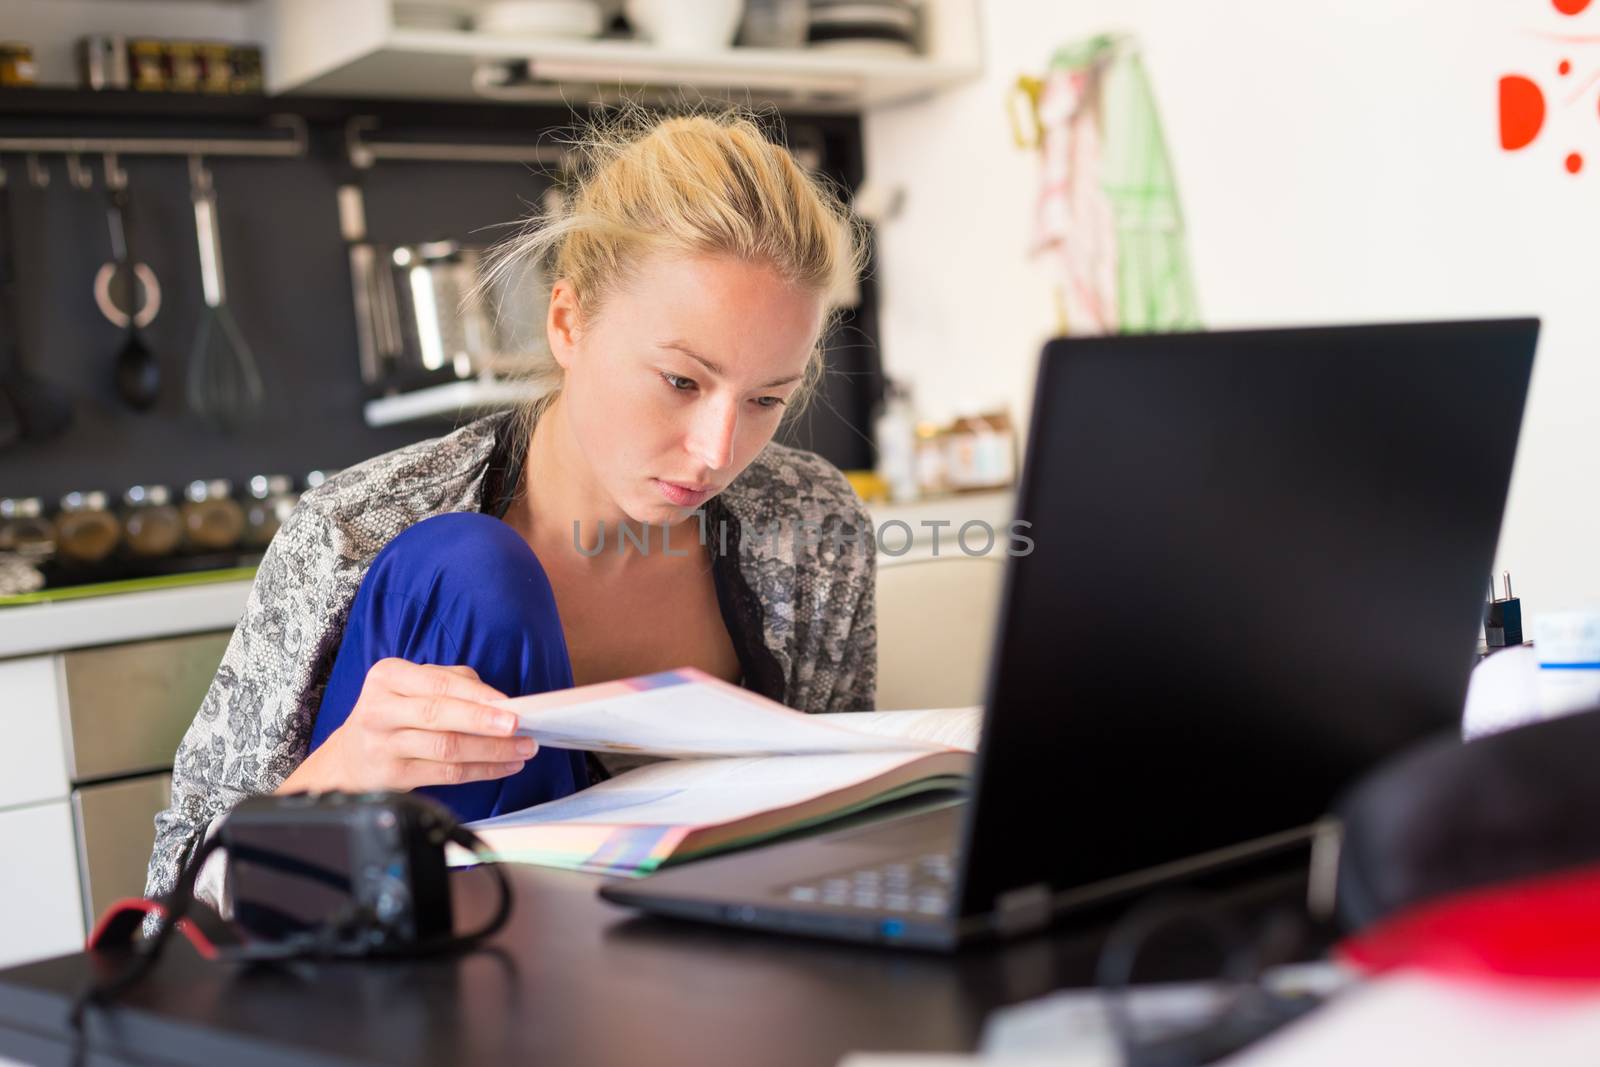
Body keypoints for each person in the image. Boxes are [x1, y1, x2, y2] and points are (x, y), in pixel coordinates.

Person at [144, 107, 879, 909]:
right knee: (469, 571)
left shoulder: (812, 526)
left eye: (768, 398)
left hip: (681, 978)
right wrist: (345, 770)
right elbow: (170, 908)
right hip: (408, 992)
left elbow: (838, 825)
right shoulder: (356, 531)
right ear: (567, 321)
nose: (716, 450)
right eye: (681, 381)